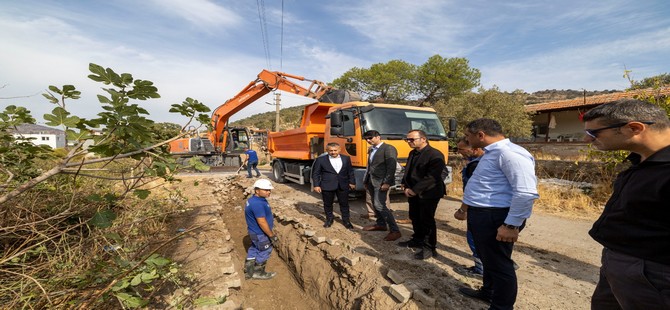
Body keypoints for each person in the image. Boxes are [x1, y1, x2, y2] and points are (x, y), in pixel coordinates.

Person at [581, 99, 670, 310]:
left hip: (651, 275)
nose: (587, 139)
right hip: (622, 267)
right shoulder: (642, 162)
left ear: (634, 128)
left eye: (594, 133)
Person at [458, 118, 539, 310]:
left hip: (496, 217)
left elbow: (526, 192)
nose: (467, 140)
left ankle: (501, 306)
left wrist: (511, 225)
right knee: (488, 259)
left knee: (500, 265)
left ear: (481, 135)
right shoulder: (492, 153)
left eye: (468, 136)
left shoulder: (510, 154)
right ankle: (488, 292)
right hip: (484, 214)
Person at [398, 129, 446, 260]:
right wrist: (405, 183)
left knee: (427, 220)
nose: (408, 142)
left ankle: (429, 247)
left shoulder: (435, 155)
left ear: (423, 139)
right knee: (414, 216)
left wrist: (414, 190)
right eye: (407, 139)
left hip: (429, 193)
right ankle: (417, 239)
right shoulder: (413, 153)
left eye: (411, 139)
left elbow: (432, 177)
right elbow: (408, 169)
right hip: (413, 191)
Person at [361, 130, 402, 241]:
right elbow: (370, 167)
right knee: (375, 204)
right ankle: (381, 224)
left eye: (370, 138)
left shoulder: (388, 148)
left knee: (380, 205)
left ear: (378, 137)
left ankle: (395, 231)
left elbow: (391, 167)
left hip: (381, 182)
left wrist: (387, 182)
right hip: (371, 181)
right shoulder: (371, 149)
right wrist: (366, 180)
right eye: (366, 139)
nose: (368, 140)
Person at [453, 137, 485, 278]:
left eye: (461, 149)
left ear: (475, 149)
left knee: (475, 238)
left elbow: (473, 191)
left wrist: (463, 210)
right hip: (483, 207)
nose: (459, 152)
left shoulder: (476, 166)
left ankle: (480, 269)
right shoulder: (479, 162)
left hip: (477, 207)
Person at [311, 142, 355, 229]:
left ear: (339, 150)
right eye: (331, 151)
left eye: (335, 150)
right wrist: (316, 185)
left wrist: (352, 182)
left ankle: (346, 221)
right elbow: (316, 173)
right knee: (328, 204)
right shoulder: (321, 160)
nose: (333, 152)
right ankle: (329, 219)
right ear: (327, 150)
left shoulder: (346, 158)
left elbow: (350, 171)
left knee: (344, 204)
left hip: (343, 185)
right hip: (327, 185)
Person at [244, 179, 279, 280]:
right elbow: (262, 222)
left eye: (269, 190)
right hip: (260, 233)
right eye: (266, 190)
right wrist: (271, 235)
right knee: (265, 250)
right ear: (257, 190)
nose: (269, 192)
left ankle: (249, 270)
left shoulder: (254, 200)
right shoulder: (257, 204)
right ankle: (258, 273)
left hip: (254, 232)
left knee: (255, 248)